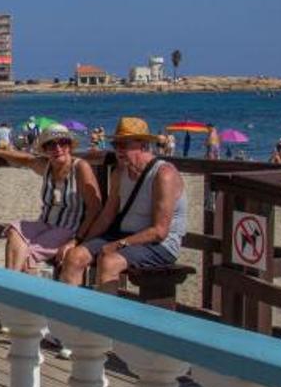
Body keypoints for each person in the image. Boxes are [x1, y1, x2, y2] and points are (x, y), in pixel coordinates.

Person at [60, 117, 187, 288]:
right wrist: (81, 242)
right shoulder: (120, 173)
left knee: (109, 262)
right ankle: (71, 311)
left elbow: (159, 231)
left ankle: (104, 313)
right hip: (124, 235)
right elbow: (106, 216)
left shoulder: (163, 174)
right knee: (74, 257)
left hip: (159, 245)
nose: (118, 150)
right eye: (116, 145)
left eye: (124, 144)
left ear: (143, 145)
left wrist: (118, 245)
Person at [0, 124, 101, 275]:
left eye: (62, 142)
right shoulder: (47, 166)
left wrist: (76, 240)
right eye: (51, 144)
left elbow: (95, 208)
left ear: (69, 146)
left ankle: (13, 287)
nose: (57, 148)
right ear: (45, 149)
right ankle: (12, 283)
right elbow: (25, 159)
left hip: (69, 229)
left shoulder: (80, 168)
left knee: (24, 255)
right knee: (14, 231)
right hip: (44, 224)